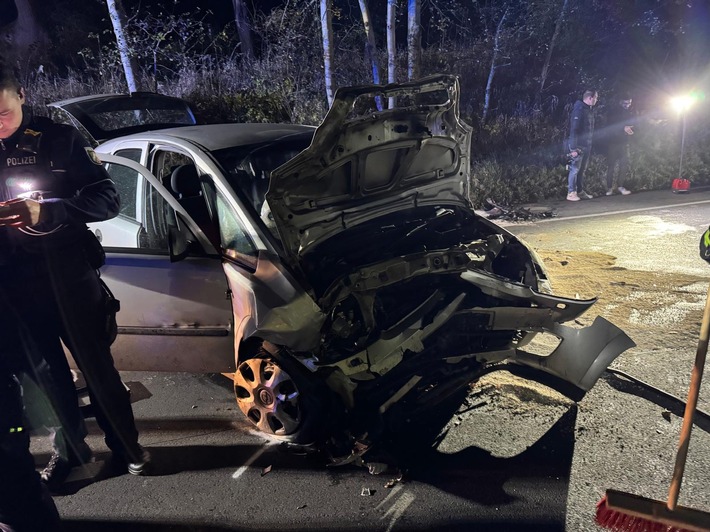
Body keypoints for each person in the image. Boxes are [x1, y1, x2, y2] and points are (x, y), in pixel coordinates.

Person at [0, 63, 149, 490]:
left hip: (67, 275)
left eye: (3, 114)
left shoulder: (59, 139)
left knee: (96, 368)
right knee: (47, 376)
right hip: (13, 284)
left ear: (22, 96)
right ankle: (70, 451)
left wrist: (48, 210)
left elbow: (107, 198)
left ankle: (128, 449)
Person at [565, 89, 598, 202]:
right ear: (590, 98)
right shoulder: (579, 110)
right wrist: (573, 148)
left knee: (581, 169)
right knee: (574, 169)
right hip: (578, 145)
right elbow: (574, 129)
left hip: (586, 144)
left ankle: (579, 191)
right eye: (596, 97)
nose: (596, 100)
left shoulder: (589, 110)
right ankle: (571, 192)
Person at [604, 95, 635, 196]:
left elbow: (633, 124)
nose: (628, 105)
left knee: (624, 165)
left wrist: (631, 130)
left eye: (629, 103)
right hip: (613, 143)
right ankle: (609, 188)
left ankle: (620, 186)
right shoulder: (613, 112)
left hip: (624, 142)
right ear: (620, 102)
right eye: (626, 103)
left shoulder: (629, 112)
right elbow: (611, 126)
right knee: (611, 165)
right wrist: (623, 128)